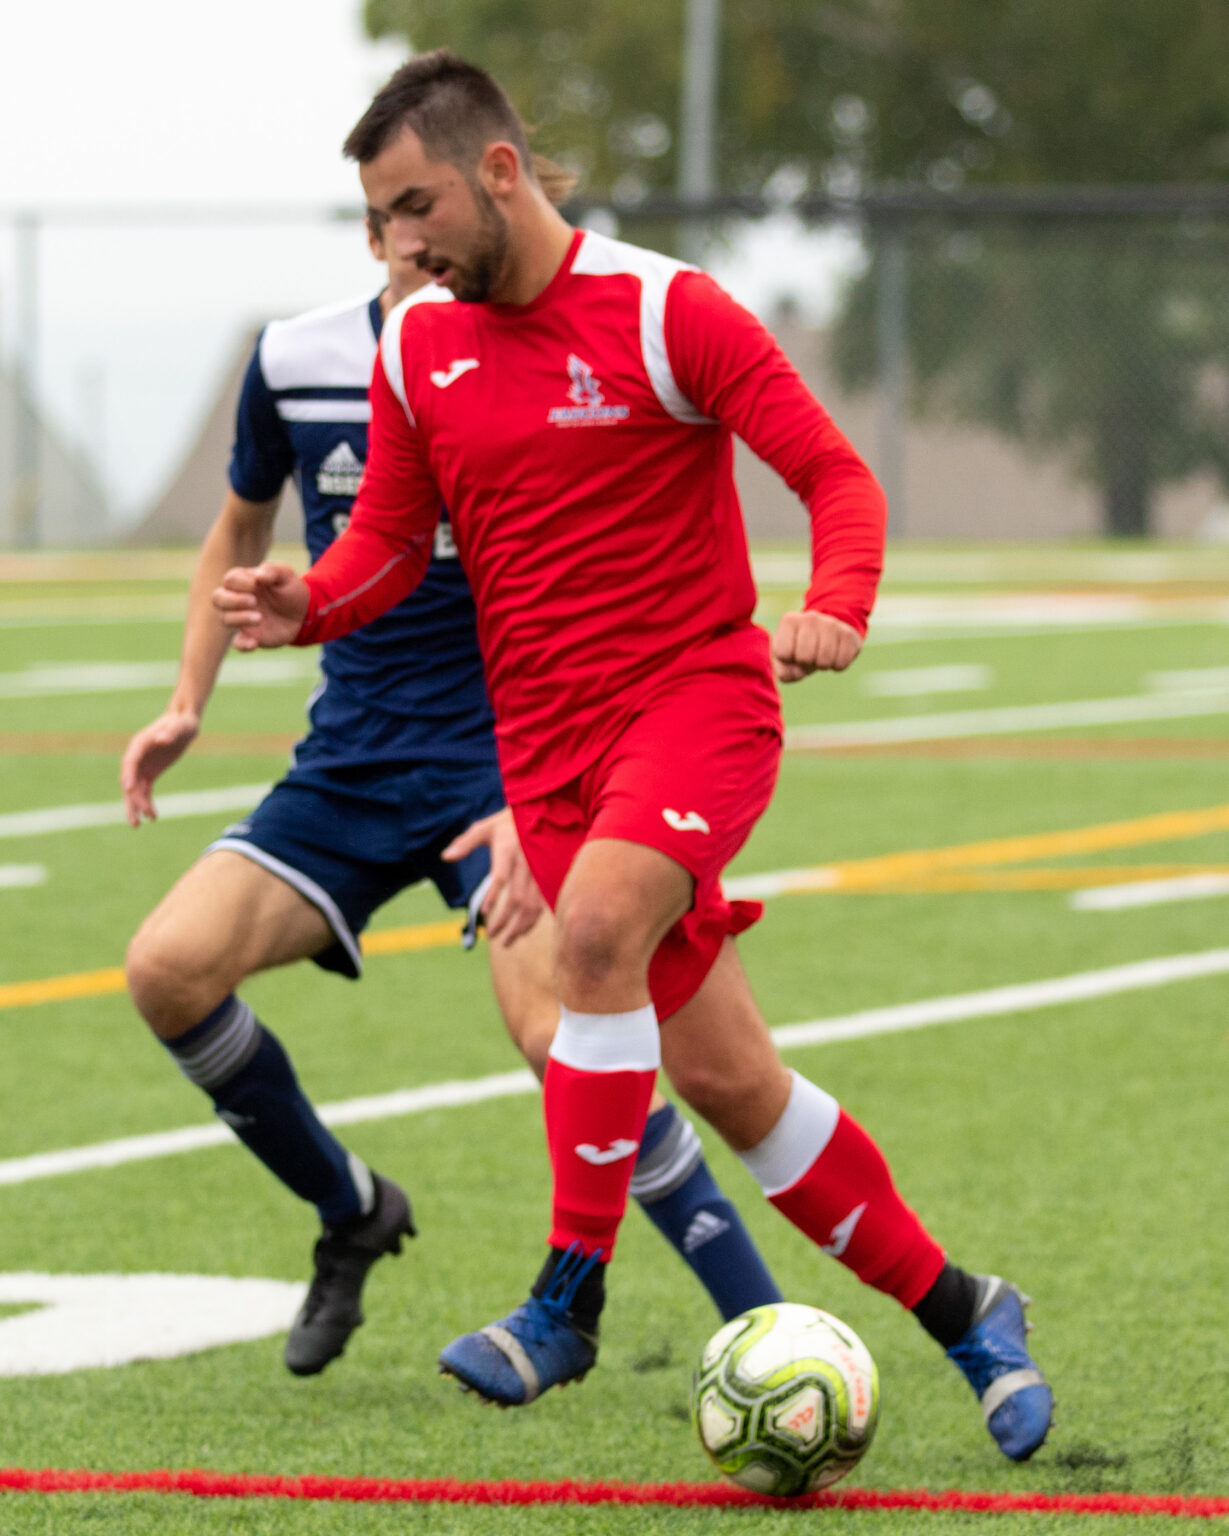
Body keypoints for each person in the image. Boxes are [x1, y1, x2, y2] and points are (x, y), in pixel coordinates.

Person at [212, 51, 1053, 1461]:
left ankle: (566, 1300)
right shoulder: (416, 348)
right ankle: (970, 1311)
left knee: (592, 938)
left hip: (696, 708)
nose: (401, 244)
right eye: (380, 217)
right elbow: (388, 549)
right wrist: (310, 603)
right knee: (732, 1085)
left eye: (416, 207)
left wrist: (837, 604)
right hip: (548, 754)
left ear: (497, 171)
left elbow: (834, 475)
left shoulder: (668, 310)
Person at [121, 182, 784, 1380]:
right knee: (166, 968)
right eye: (403, 223)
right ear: (373, 233)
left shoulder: (535, 360)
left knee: (557, 1031)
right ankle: (351, 1210)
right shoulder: (297, 360)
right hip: (352, 758)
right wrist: (186, 701)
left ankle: (765, 1329)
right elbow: (240, 527)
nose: (430, 252)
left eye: (447, 225)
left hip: (508, 756)